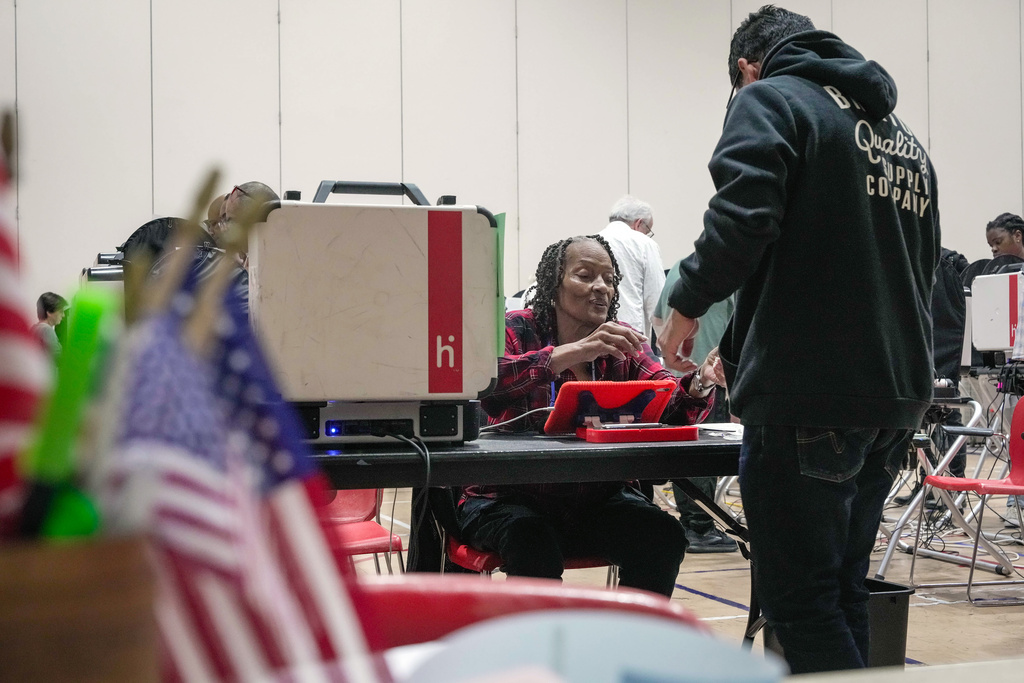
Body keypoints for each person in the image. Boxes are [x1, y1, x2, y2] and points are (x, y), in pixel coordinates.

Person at [657, 6, 939, 674]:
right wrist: (745, 343)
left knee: (801, 603)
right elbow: (896, 269)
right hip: (891, 399)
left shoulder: (771, 99)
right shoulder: (900, 138)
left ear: (746, 68)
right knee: (841, 591)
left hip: (812, 397)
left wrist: (686, 306)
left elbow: (743, 218)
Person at [456, 235, 719, 598]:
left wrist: (700, 383)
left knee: (662, 536)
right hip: (507, 498)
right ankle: (542, 650)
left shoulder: (621, 346)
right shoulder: (515, 328)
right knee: (531, 540)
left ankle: (628, 647)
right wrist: (572, 352)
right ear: (553, 284)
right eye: (585, 275)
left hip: (593, 501)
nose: (601, 287)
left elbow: (669, 399)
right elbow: (487, 380)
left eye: (610, 280)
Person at [654, 265, 738, 553]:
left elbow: (656, 318)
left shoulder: (677, 269)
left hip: (676, 372)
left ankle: (692, 523)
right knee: (703, 455)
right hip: (713, 371)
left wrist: (670, 352)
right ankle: (701, 527)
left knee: (684, 449)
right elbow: (741, 326)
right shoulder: (732, 271)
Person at [598, 196, 665, 337]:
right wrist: (668, 347)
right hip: (630, 336)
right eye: (648, 231)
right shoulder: (645, 244)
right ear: (639, 223)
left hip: (596, 335)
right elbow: (657, 301)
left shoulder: (590, 242)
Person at [33, 292, 67, 360]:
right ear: (49, 312)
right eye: (60, 311)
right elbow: (59, 357)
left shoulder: (35, 328)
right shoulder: (46, 330)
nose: (63, 315)